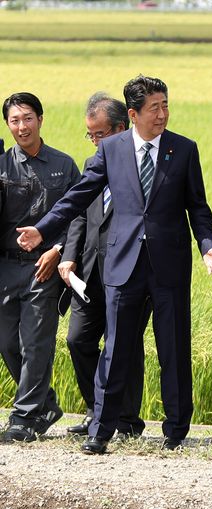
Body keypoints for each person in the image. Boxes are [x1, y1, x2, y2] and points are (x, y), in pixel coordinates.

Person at [17, 75, 212, 454]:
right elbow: (77, 197)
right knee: (115, 348)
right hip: (122, 263)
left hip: (169, 266)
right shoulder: (111, 149)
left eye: (165, 105)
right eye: (154, 108)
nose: (162, 114)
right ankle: (101, 429)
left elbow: (198, 206)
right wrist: (43, 229)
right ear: (133, 113)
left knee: (173, 348)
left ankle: (176, 430)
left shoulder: (183, 149)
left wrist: (207, 246)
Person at [59, 92, 148, 436]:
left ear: (121, 129)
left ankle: (125, 420)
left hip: (128, 272)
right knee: (78, 340)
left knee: (123, 343)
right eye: (91, 135)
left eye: (101, 134)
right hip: (89, 273)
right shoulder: (91, 165)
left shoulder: (143, 168)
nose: (96, 142)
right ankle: (98, 411)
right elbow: (80, 215)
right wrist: (68, 256)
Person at [0, 92, 80, 442]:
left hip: (43, 267)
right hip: (5, 267)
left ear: (41, 119)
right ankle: (45, 403)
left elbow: (79, 215)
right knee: (6, 343)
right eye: (15, 120)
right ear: (8, 125)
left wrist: (58, 250)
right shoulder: (1, 166)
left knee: (36, 343)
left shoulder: (64, 165)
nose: (22, 126)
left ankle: (25, 416)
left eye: (28, 117)